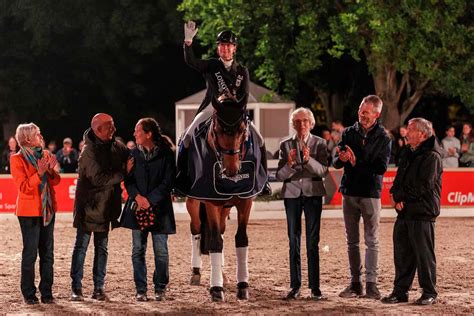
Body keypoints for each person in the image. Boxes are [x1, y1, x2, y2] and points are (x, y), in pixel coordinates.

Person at [178, 21, 270, 284]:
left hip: (236, 112)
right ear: (218, 48)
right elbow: (191, 63)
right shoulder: (212, 65)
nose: (225, 49)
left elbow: (245, 93)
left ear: (234, 48)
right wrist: (187, 43)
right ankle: (181, 179)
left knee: (260, 139)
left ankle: (260, 183)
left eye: (229, 46)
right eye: (222, 45)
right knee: (187, 134)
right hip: (212, 109)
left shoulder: (242, 70)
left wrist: (240, 113)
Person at [333, 95, 391, 299]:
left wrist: (357, 162)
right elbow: (336, 161)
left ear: (377, 114)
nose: (361, 114)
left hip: (370, 194)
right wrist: (340, 158)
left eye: (365, 112)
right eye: (360, 110)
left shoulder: (384, 137)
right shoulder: (349, 132)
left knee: (372, 241)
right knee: (352, 241)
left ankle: (372, 285)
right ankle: (355, 283)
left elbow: (381, 167)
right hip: (349, 192)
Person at [382, 118, 442, 305]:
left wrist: (401, 197)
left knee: (424, 255)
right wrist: (395, 196)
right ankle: (400, 292)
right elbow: (399, 178)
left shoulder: (432, 156)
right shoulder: (408, 152)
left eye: (410, 129)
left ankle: (429, 292)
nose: (406, 133)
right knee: (402, 254)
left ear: (422, 134)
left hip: (423, 212)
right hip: (405, 211)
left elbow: (424, 186)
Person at [70, 113, 129, 301]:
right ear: (98, 129)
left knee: (102, 249)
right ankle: (76, 289)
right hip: (88, 207)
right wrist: (123, 173)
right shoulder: (88, 151)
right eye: (109, 126)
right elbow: (99, 179)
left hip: (106, 208)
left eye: (113, 125)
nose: (114, 129)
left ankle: (99, 288)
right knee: (82, 247)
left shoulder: (116, 146)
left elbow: (132, 157)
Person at [121, 118, 176, 302]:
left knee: (161, 251)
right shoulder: (132, 154)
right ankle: (141, 289)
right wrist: (138, 198)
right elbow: (128, 180)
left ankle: (160, 288)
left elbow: (168, 182)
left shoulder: (167, 154)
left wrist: (150, 200)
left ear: (148, 133)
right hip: (137, 208)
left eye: (137, 131)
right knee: (138, 250)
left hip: (160, 209)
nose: (134, 134)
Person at [276, 108, 329, 301]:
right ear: (293, 124)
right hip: (292, 195)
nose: (301, 124)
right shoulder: (284, 145)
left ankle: (315, 288)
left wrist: (308, 160)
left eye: (305, 121)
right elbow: (279, 175)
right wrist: (290, 165)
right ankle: (295, 286)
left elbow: (323, 171)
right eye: (297, 121)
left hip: (313, 194)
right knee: (293, 241)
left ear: (311, 123)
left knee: (312, 242)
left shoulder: (321, 143)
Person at [10, 123, 60, 304]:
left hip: (48, 210)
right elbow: (23, 187)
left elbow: (55, 182)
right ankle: (29, 294)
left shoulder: (46, 154)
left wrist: (51, 171)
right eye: (38, 134)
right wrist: (39, 173)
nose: (41, 137)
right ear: (28, 138)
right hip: (28, 212)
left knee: (48, 253)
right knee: (30, 253)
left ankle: (47, 293)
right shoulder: (17, 159)